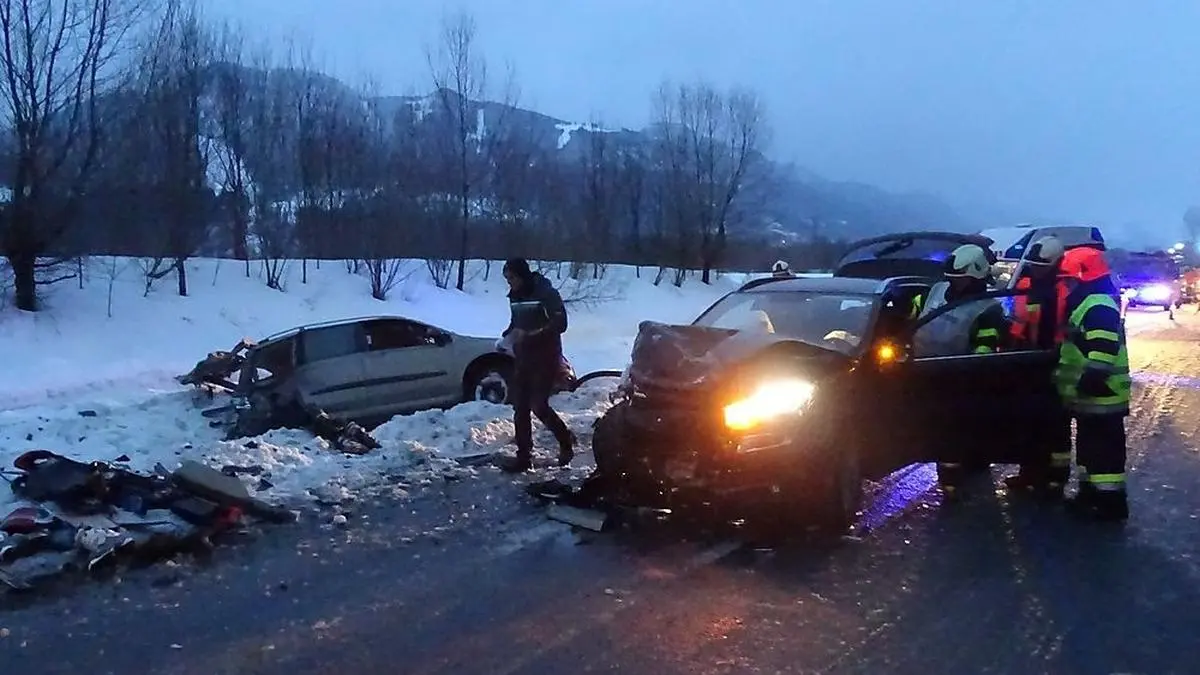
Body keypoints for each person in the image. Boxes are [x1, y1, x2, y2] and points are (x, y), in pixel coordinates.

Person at [910, 244, 1008, 497]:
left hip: (962, 379)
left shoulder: (987, 308)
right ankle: (952, 477)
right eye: (952, 278)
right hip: (922, 373)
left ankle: (955, 481)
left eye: (961, 279)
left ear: (976, 277)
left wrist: (971, 373)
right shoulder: (936, 291)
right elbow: (912, 315)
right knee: (938, 429)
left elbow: (985, 349)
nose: (955, 283)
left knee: (956, 429)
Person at [1055, 246, 1131, 521]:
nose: (1066, 286)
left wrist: (1089, 381)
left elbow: (1102, 351)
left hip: (1102, 394)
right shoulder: (1090, 302)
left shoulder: (1097, 305)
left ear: (1083, 277)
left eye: (1069, 280)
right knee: (1090, 448)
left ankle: (1110, 503)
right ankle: (1090, 496)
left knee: (1105, 451)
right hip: (1093, 396)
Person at [1005, 236, 1074, 498]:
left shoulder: (1066, 289)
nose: (1036, 269)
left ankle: (1056, 478)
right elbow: (1014, 319)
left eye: (1042, 265)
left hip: (1056, 361)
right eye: (1034, 265)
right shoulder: (1023, 285)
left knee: (1056, 425)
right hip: (1026, 360)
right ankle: (1029, 473)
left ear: (1056, 263)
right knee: (1028, 422)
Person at [496, 258, 575, 473]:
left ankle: (565, 440)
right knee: (520, 406)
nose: (510, 283)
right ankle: (524, 457)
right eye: (507, 279)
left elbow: (560, 324)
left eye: (512, 278)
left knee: (538, 405)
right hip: (523, 357)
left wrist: (531, 335)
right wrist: (508, 335)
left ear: (523, 275)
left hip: (546, 357)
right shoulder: (515, 297)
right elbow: (516, 322)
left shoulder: (546, 294)